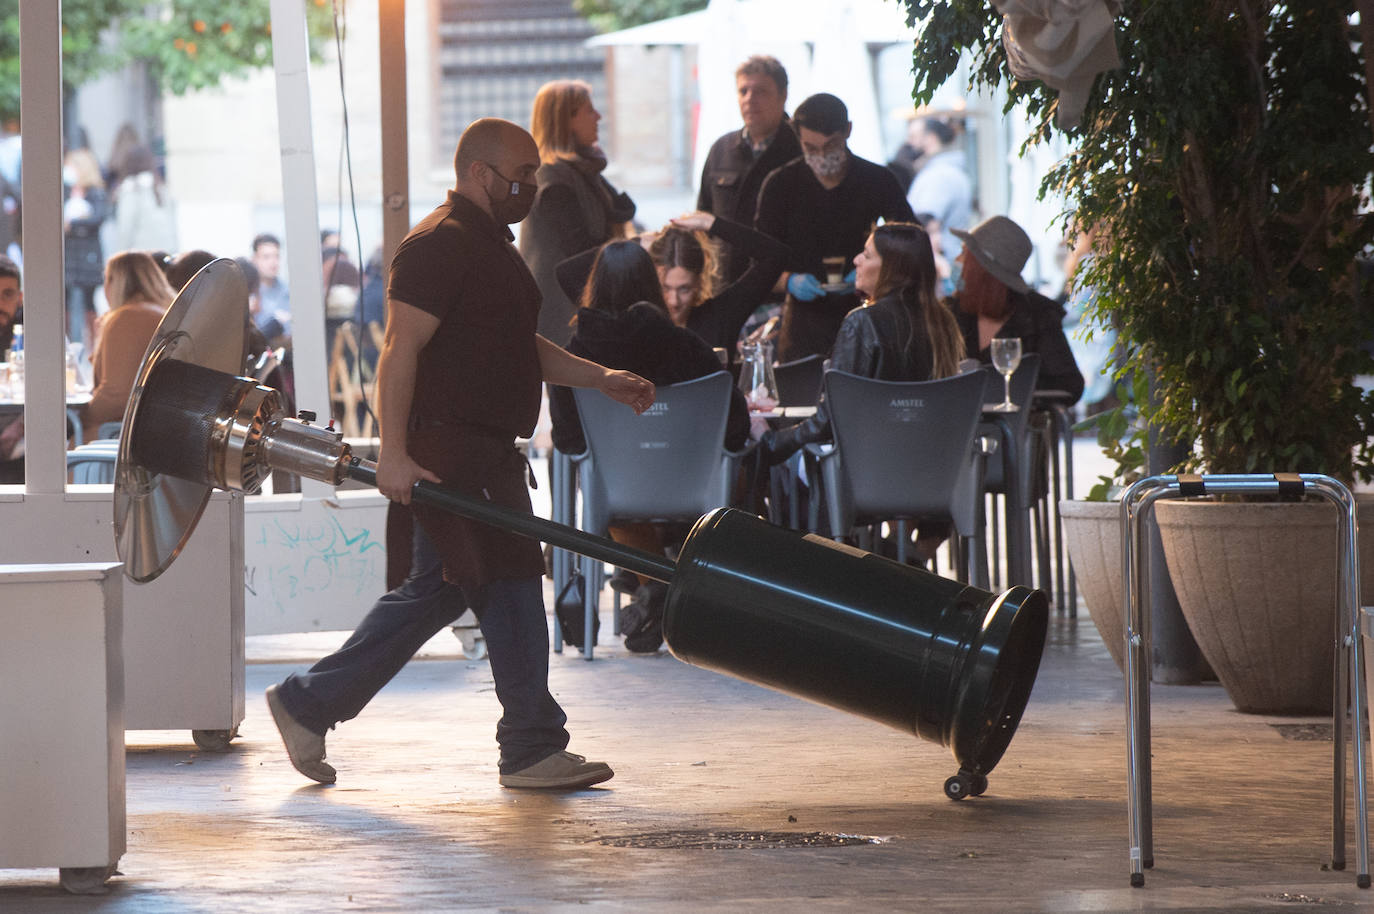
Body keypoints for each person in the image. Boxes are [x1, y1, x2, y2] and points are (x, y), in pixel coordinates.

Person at [264, 117, 654, 790]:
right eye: (522, 174)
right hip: (450, 451)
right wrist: (392, 453)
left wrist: (601, 378)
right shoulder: (438, 246)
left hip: (484, 456)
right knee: (462, 587)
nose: (531, 186)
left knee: (478, 586)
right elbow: (398, 351)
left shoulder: (489, 248)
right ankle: (517, 742)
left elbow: (516, 349)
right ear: (481, 173)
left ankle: (522, 741)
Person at [549, 240, 750, 652]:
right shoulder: (689, 347)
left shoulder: (575, 357)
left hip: (620, 494)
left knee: (613, 501)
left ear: (593, 287)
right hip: (696, 489)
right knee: (742, 477)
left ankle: (660, 587)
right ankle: (689, 596)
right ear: (652, 285)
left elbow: (568, 441)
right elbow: (736, 429)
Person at [759, 223, 967, 561]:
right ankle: (890, 557)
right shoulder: (943, 325)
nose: (856, 260)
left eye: (867, 254)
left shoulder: (862, 323)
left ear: (891, 268)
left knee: (780, 467)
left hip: (867, 478)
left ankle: (823, 572)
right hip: (935, 475)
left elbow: (831, 420)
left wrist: (774, 443)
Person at [754, 93, 915, 362]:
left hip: (870, 316)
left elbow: (911, 245)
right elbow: (757, 259)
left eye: (831, 146)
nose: (821, 156)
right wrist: (789, 280)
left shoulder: (878, 181)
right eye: (811, 148)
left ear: (847, 131)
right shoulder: (780, 185)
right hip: (803, 324)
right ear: (798, 139)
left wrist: (877, 272)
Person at [554, 211, 787, 356]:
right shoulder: (629, 323)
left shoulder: (720, 317)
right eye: (665, 288)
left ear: (699, 281)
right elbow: (567, 274)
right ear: (649, 279)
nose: (674, 301)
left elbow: (774, 256)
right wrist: (635, 243)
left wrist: (712, 223)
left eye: (684, 289)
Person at [518, 80, 636, 347]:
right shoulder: (553, 180)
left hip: (577, 311)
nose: (598, 117)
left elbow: (622, 210)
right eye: (589, 110)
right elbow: (582, 250)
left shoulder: (580, 172)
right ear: (565, 120)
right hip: (563, 320)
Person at [947, 215, 1085, 403]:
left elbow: (1069, 385)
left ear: (981, 268)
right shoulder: (949, 312)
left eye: (964, 253)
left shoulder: (1037, 315)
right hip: (956, 427)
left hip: (1017, 428)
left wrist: (1010, 390)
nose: (957, 259)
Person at [697, 55, 802, 285]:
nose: (750, 100)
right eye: (743, 91)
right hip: (725, 285)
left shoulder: (801, 149)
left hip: (782, 287)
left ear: (783, 96)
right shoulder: (721, 149)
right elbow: (703, 217)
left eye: (761, 91)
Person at [81, 250, 177, 441]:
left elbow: (116, 396)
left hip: (121, 440)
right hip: (159, 432)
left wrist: (78, 417)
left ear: (114, 282)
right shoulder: (163, 313)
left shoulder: (126, 318)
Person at [906, 116, 973, 266]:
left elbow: (927, 222)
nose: (909, 143)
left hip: (940, 266)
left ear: (931, 138)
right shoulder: (946, 170)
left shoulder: (938, 175)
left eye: (913, 136)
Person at [63, 147, 107, 348]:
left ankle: (95, 345)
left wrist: (74, 224)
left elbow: (97, 218)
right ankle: (66, 343)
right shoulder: (64, 190)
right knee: (65, 301)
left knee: (89, 302)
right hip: (69, 253)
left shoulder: (95, 192)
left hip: (88, 255)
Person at [109, 145, 178, 255]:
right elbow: (173, 225)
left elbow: (125, 230)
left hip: (142, 257)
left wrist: (119, 256)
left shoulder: (131, 190)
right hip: (166, 252)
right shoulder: (160, 187)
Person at [250, 232, 291, 343]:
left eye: (276, 256)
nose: (273, 262)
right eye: (266, 257)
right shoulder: (249, 292)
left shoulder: (288, 290)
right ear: (254, 259)